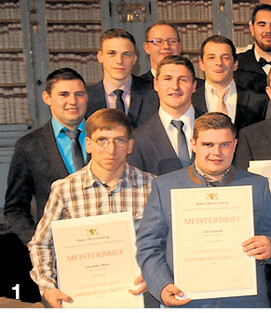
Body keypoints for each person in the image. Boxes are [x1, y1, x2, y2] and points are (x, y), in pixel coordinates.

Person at [136, 112, 271, 307]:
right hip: (187, 301)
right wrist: (162, 285)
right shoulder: (164, 186)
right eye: (208, 144)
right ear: (193, 144)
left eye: (225, 144)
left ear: (235, 145)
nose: (217, 152)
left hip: (245, 302)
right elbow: (149, 246)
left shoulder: (257, 185)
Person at [28, 108, 155, 308]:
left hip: (139, 297)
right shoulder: (65, 189)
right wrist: (47, 287)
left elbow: (167, 240)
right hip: (81, 299)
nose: (111, 149)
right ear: (88, 144)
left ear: (130, 145)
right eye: (102, 140)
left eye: (119, 140)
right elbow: (41, 244)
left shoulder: (152, 187)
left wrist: (155, 275)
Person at [1, 68, 91, 303]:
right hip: (56, 261)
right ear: (47, 98)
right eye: (64, 94)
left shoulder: (105, 137)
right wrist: (37, 244)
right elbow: (14, 207)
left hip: (103, 251)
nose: (73, 101)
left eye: (79, 94)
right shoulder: (28, 146)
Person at [129, 55, 206, 175]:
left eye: (182, 80)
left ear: (194, 86)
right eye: (167, 79)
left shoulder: (215, 129)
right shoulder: (139, 138)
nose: (175, 86)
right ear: (155, 84)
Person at [85, 28, 159, 128]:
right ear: (100, 56)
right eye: (112, 53)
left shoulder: (154, 94)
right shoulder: (86, 99)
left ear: (134, 59)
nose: (119, 60)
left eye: (126, 54)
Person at [194, 35, 269, 130]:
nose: (219, 63)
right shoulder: (190, 101)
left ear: (235, 64)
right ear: (201, 64)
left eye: (225, 58)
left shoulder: (258, 101)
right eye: (211, 58)